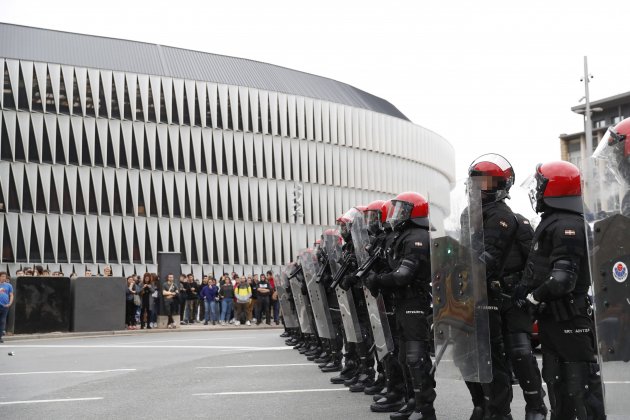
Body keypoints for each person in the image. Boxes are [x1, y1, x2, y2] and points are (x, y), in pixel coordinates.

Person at [522, 161, 605, 420]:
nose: (536, 190)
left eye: (540, 184)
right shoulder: (555, 221)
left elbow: (562, 279)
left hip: (570, 317)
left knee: (581, 388)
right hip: (555, 320)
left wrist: (533, 297)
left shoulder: (567, 225)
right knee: (559, 386)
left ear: (554, 189)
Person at [365, 192, 436, 420]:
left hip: (415, 301)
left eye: (401, 209)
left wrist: (379, 280)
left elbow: (404, 274)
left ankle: (425, 410)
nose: (396, 215)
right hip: (403, 301)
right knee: (405, 356)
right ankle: (412, 401)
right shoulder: (402, 235)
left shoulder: (417, 236)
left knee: (416, 357)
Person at [0, 272, 14, 343]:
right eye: (2, 276)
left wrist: (10, 303)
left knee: (2, 321)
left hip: (5, 306)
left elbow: (11, 295)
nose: (4, 278)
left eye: (5, 276)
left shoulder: (9, 285)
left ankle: (0, 337)